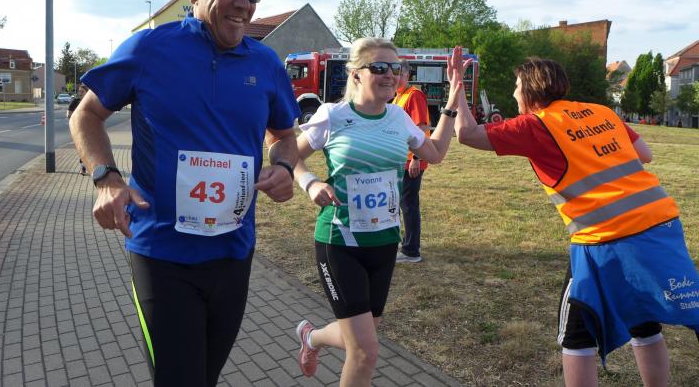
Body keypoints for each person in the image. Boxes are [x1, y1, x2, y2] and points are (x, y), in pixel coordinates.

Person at [69, 0, 300, 387]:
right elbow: (86, 114)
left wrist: (285, 168)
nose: (243, 3)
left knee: (205, 377)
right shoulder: (149, 49)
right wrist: (106, 178)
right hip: (162, 254)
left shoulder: (266, 63)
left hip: (234, 253)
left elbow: (286, 137)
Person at [454, 57, 699, 387]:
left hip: (607, 239)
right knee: (643, 321)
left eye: (516, 87)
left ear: (529, 90)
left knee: (577, 337)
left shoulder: (535, 125)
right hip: (661, 225)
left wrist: (457, 88)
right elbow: (645, 154)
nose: (514, 94)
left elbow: (466, 133)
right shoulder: (601, 111)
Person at [292, 38, 467, 386]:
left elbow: (435, 153)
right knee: (365, 352)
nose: (390, 75)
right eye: (379, 67)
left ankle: (311, 337)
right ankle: (313, 338)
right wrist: (310, 183)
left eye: (395, 68)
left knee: (361, 338)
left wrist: (452, 100)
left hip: (384, 241)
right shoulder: (333, 115)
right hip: (339, 240)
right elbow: (288, 156)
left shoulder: (399, 117)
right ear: (356, 74)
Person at [391, 60, 430, 263]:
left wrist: (416, 157)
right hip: (401, 159)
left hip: (411, 160)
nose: (395, 78)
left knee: (408, 204)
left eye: (399, 74)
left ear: (407, 75)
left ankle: (411, 250)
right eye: (393, 73)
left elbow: (421, 127)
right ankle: (405, 244)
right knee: (402, 202)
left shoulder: (414, 95)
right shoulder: (399, 96)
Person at [67, 84, 88, 175]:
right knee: (82, 148)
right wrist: (76, 119)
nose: (80, 93)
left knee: (87, 148)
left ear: (87, 92)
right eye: (79, 91)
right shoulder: (75, 101)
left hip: (89, 128)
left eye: (82, 91)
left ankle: (86, 166)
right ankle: (83, 167)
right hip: (78, 128)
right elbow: (68, 114)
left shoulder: (90, 102)